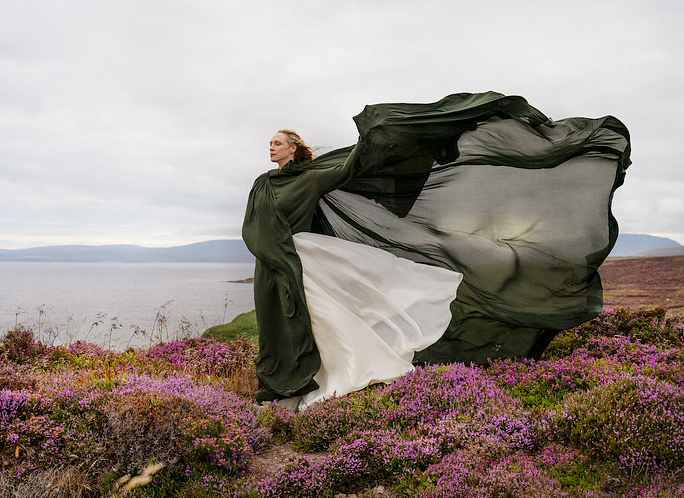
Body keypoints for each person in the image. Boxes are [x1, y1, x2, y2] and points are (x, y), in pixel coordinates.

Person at [242, 92, 631, 408]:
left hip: (303, 260)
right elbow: (254, 226)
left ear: (294, 149)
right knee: (290, 321)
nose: (271, 147)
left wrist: (382, 138)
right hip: (275, 262)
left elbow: (347, 171)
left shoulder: (309, 178)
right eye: (270, 144)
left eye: (277, 143)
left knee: (323, 321)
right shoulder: (263, 184)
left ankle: (319, 378)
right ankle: (287, 383)